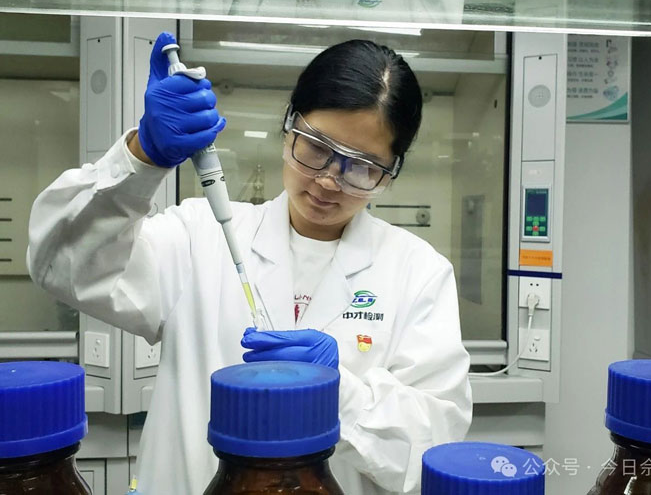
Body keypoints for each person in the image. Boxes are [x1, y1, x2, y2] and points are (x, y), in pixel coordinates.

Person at [27, 32, 472, 495]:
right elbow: (61, 265)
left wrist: (337, 392)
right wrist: (142, 158)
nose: (328, 181)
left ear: (390, 173)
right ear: (289, 126)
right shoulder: (198, 237)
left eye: (361, 166)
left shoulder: (418, 272)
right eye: (316, 147)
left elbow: (433, 446)